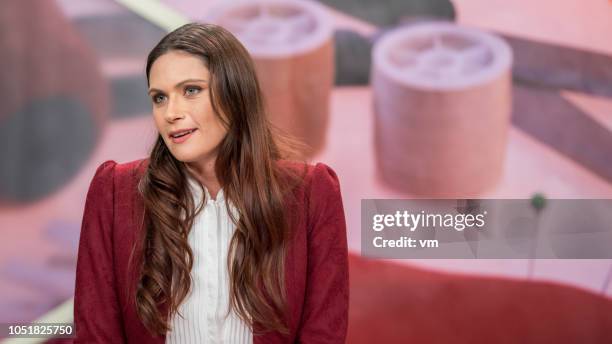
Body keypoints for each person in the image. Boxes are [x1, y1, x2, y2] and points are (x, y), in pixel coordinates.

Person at [73, 22, 349, 343]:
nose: (171, 113)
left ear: (235, 93)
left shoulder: (312, 192)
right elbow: (96, 333)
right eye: (159, 98)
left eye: (191, 90)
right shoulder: (115, 191)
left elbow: (324, 334)